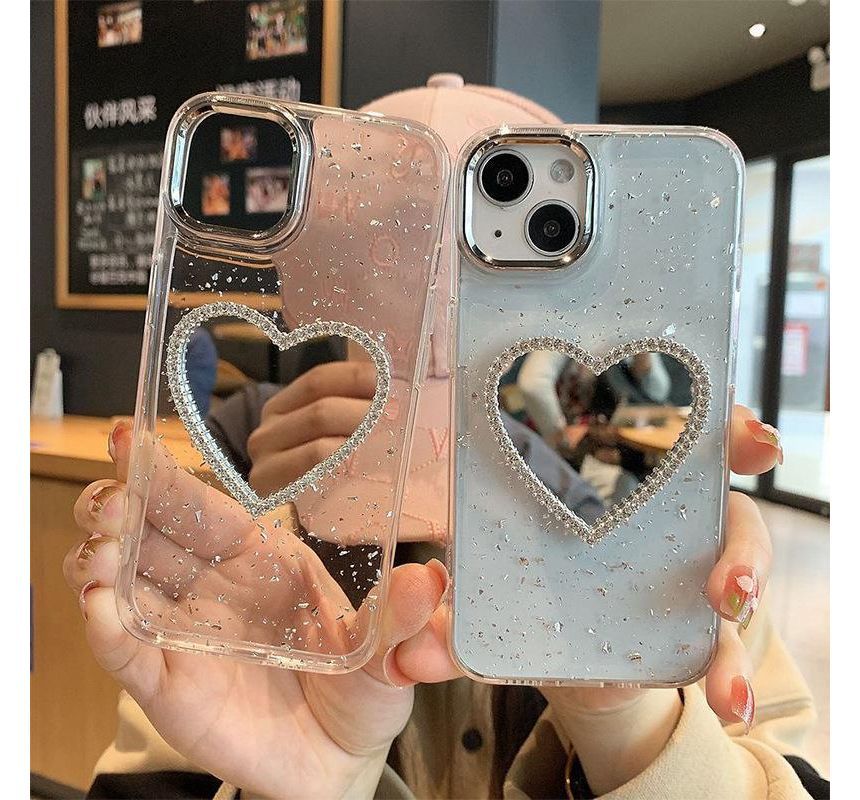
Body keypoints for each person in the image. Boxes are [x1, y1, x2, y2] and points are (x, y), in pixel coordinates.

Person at [65, 77, 825, 799]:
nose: (451, 471)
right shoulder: (245, 535)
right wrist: (296, 775)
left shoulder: (665, 552)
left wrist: (630, 722)